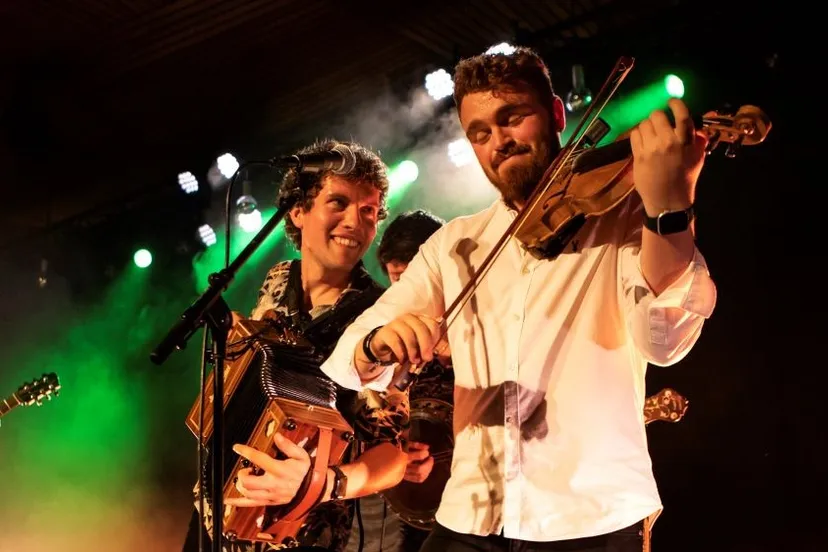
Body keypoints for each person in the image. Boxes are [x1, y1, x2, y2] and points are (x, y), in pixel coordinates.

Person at [320, 47, 717, 552]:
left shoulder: (625, 215)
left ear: (555, 114)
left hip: (589, 514)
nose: (498, 142)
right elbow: (354, 351)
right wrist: (377, 343)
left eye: (512, 119)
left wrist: (668, 210)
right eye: (479, 134)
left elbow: (664, 342)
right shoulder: (455, 244)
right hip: (472, 511)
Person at [181, 139, 410, 552]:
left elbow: (393, 455)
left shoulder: (378, 314)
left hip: (297, 533)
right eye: (338, 203)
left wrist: (325, 483)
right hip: (219, 507)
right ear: (298, 211)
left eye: (368, 211)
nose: (355, 223)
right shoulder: (279, 278)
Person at [344, 209, 453, 552]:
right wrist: (398, 449)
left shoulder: (481, 326)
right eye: (397, 278)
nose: (408, 292)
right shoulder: (384, 337)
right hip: (400, 516)